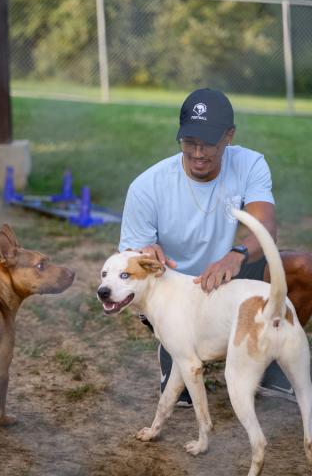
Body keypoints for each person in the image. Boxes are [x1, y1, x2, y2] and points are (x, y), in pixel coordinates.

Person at [118, 87, 300, 406]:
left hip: (231, 274)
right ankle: (174, 351)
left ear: (229, 136)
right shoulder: (147, 186)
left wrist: (237, 254)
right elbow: (128, 261)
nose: (198, 153)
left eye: (208, 143)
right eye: (190, 142)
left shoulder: (250, 164)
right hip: (176, 290)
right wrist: (145, 252)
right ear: (180, 138)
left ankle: (267, 358)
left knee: (302, 269)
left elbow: (266, 226)